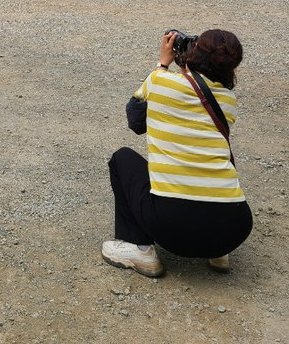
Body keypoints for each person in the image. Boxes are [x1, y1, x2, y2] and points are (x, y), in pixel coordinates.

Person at [102, 29, 252, 278]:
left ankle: (138, 249)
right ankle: (217, 253)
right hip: (234, 228)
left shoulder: (159, 81)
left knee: (122, 158)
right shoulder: (228, 100)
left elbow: (136, 120)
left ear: (194, 54)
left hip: (173, 227)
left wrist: (163, 63)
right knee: (209, 163)